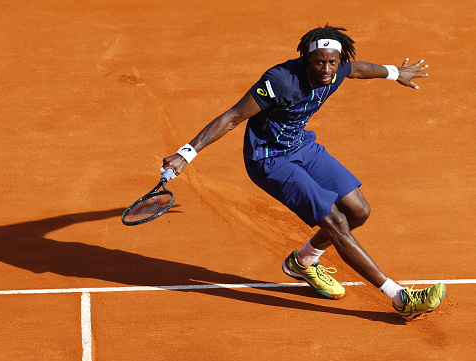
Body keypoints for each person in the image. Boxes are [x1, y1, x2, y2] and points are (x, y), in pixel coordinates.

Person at [161, 25, 445, 321]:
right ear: (307, 59)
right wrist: (186, 153)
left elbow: (358, 69)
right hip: (270, 160)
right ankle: (399, 297)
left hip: (301, 145)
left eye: (332, 62)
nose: (326, 69)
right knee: (336, 223)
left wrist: (394, 73)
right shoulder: (280, 81)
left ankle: (303, 261)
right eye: (319, 62)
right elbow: (232, 116)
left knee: (358, 211)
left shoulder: (339, 70)